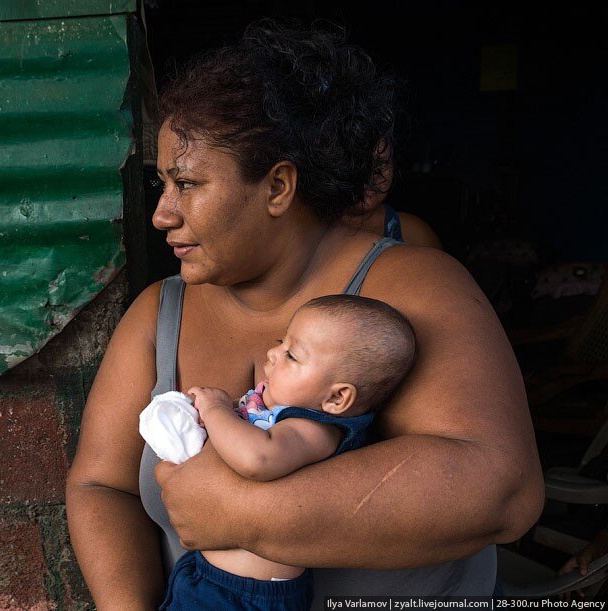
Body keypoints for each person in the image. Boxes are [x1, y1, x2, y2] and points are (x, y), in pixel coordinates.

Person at [66, 20, 543, 610]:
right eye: (161, 183)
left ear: (278, 187)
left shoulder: (413, 286)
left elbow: (502, 490)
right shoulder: (157, 314)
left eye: (186, 183)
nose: (162, 213)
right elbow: (100, 486)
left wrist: (242, 512)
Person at [148, 295, 416, 610]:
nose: (273, 353)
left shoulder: (315, 430)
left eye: (291, 354)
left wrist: (215, 409)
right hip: (209, 575)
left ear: (337, 397)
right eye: (280, 342)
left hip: (247, 595)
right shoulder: (278, 411)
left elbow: (256, 458)